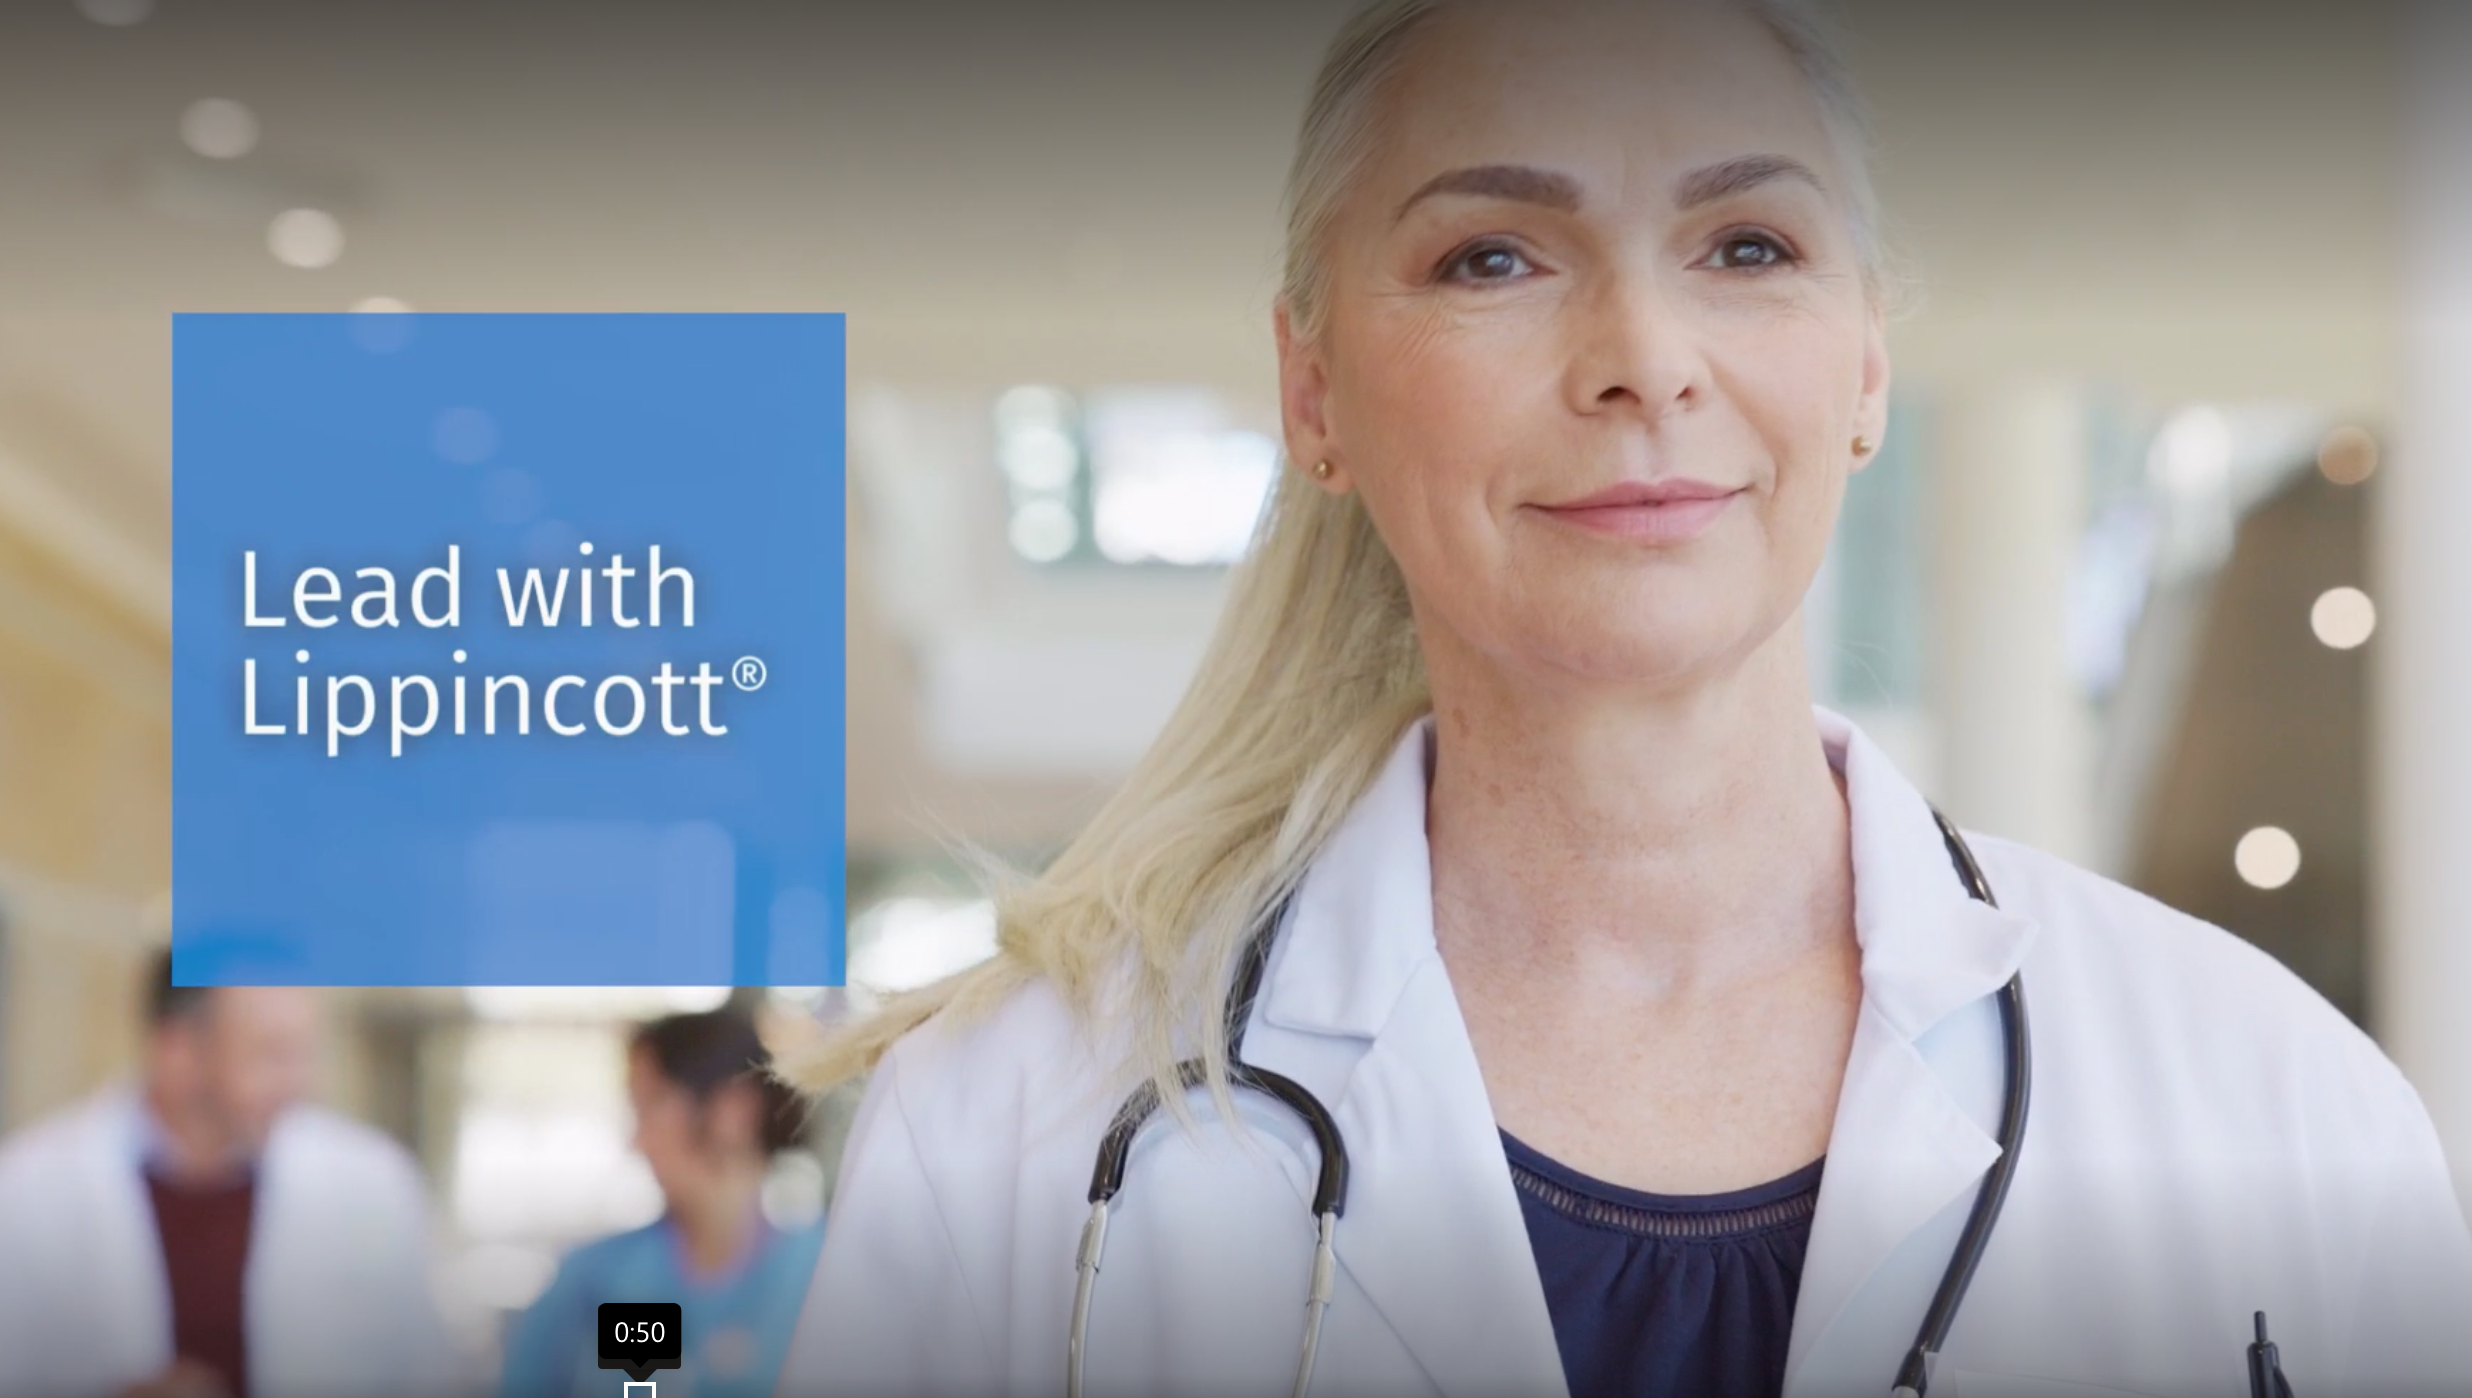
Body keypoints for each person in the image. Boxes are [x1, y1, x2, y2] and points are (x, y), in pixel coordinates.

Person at [778, 1, 2472, 1395]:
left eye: (1745, 242)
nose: (1644, 355)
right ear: (1314, 393)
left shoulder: (2275, 1106)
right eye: (1493, 258)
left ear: (1864, 362)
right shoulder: (1015, 1130)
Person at [0, 951, 457, 1398]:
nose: (299, 1082)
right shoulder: (28, 1190)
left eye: (304, 1052)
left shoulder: (375, 1185)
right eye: (271, 1054)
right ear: (176, 1049)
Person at [497, 1007, 822, 1398]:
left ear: (734, 1109)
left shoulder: (823, 1278)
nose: (637, 1143)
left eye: (652, 1105)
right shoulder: (590, 1281)